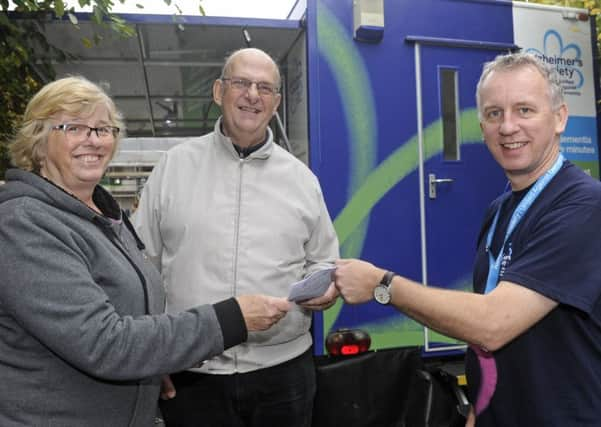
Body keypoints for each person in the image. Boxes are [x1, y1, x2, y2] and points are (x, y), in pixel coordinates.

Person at [0, 76, 291, 427]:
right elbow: (103, 344)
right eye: (74, 127)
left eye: (104, 129)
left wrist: (154, 365)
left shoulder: (105, 216)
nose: (93, 141)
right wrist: (231, 318)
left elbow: (131, 312)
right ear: (39, 140)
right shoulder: (23, 223)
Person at [333, 52, 601, 426]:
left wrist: (383, 285)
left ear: (559, 118)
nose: (508, 127)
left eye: (524, 110)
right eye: (494, 114)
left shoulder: (584, 205)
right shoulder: (499, 210)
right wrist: (479, 407)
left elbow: (492, 324)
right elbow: (484, 334)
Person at [133, 47, 340, 427]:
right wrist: (153, 353)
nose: (252, 95)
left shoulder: (301, 180)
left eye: (265, 87)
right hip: (192, 371)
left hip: (284, 372)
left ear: (276, 102)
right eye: (241, 83)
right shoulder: (174, 167)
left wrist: (325, 290)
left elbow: (324, 260)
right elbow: (141, 264)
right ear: (218, 92)